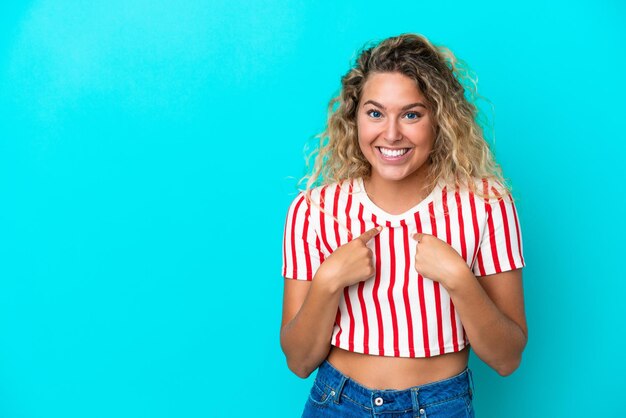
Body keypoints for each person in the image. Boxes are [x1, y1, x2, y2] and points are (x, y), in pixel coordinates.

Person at [280, 33, 527, 417]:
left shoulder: (486, 204)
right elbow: (298, 362)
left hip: (439, 405)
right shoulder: (314, 210)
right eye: (375, 113)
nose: (391, 133)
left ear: (440, 119)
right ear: (354, 117)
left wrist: (459, 279)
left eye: (412, 114)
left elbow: (507, 358)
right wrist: (329, 279)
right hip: (338, 403)